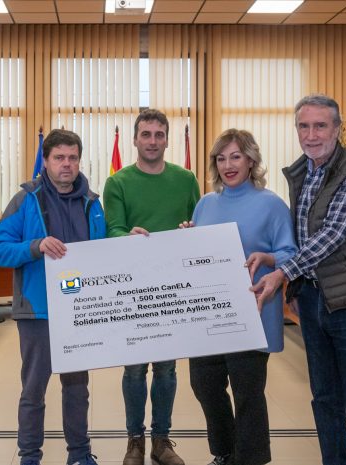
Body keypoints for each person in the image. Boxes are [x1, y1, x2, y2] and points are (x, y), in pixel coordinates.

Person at [252, 94, 346, 465]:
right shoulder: (303, 172)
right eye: (303, 126)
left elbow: (333, 234)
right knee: (324, 399)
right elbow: (299, 238)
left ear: (338, 129)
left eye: (320, 125)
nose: (311, 135)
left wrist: (282, 273)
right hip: (312, 300)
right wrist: (285, 272)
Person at [180, 129, 296, 465]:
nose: (228, 164)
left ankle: (251, 458)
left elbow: (291, 253)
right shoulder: (206, 203)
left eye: (236, 156)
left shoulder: (271, 204)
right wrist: (188, 239)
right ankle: (225, 452)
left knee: (247, 394)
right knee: (204, 385)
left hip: (252, 312)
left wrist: (267, 257)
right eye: (221, 157)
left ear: (251, 160)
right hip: (209, 315)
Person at [0, 129, 106, 465]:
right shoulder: (25, 199)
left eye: (72, 157)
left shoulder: (93, 204)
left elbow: (103, 255)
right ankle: (29, 456)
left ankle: (80, 455)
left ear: (79, 160)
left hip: (79, 311)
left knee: (77, 390)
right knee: (33, 391)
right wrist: (35, 246)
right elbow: (0, 250)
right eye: (59, 157)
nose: (66, 164)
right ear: (46, 160)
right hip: (37, 312)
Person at [102, 109, 200, 465]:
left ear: (167, 139)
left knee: (167, 368)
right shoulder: (118, 183)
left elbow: (197, 227)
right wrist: (126, 235)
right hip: (131, 287)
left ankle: (161, 441)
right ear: (135, 139)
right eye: (147, 134)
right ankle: (134, 441)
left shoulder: (186, 179)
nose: (153, 141)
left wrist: (191, 231)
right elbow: (111, 229)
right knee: (132, 369)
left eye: (160, 134)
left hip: (173, 286)